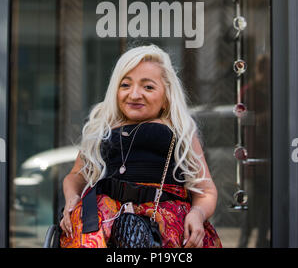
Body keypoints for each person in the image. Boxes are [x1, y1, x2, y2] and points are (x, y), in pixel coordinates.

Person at [59, 44, 221, 248]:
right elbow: (76, 176)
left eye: (148, 87)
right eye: (125, 85)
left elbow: (206, 191)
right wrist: (72, 198)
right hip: (102, 221)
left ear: (166, 97)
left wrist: (197, 214)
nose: (134, 95)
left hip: (162, 223)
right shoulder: (101, 126)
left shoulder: (181, 129)